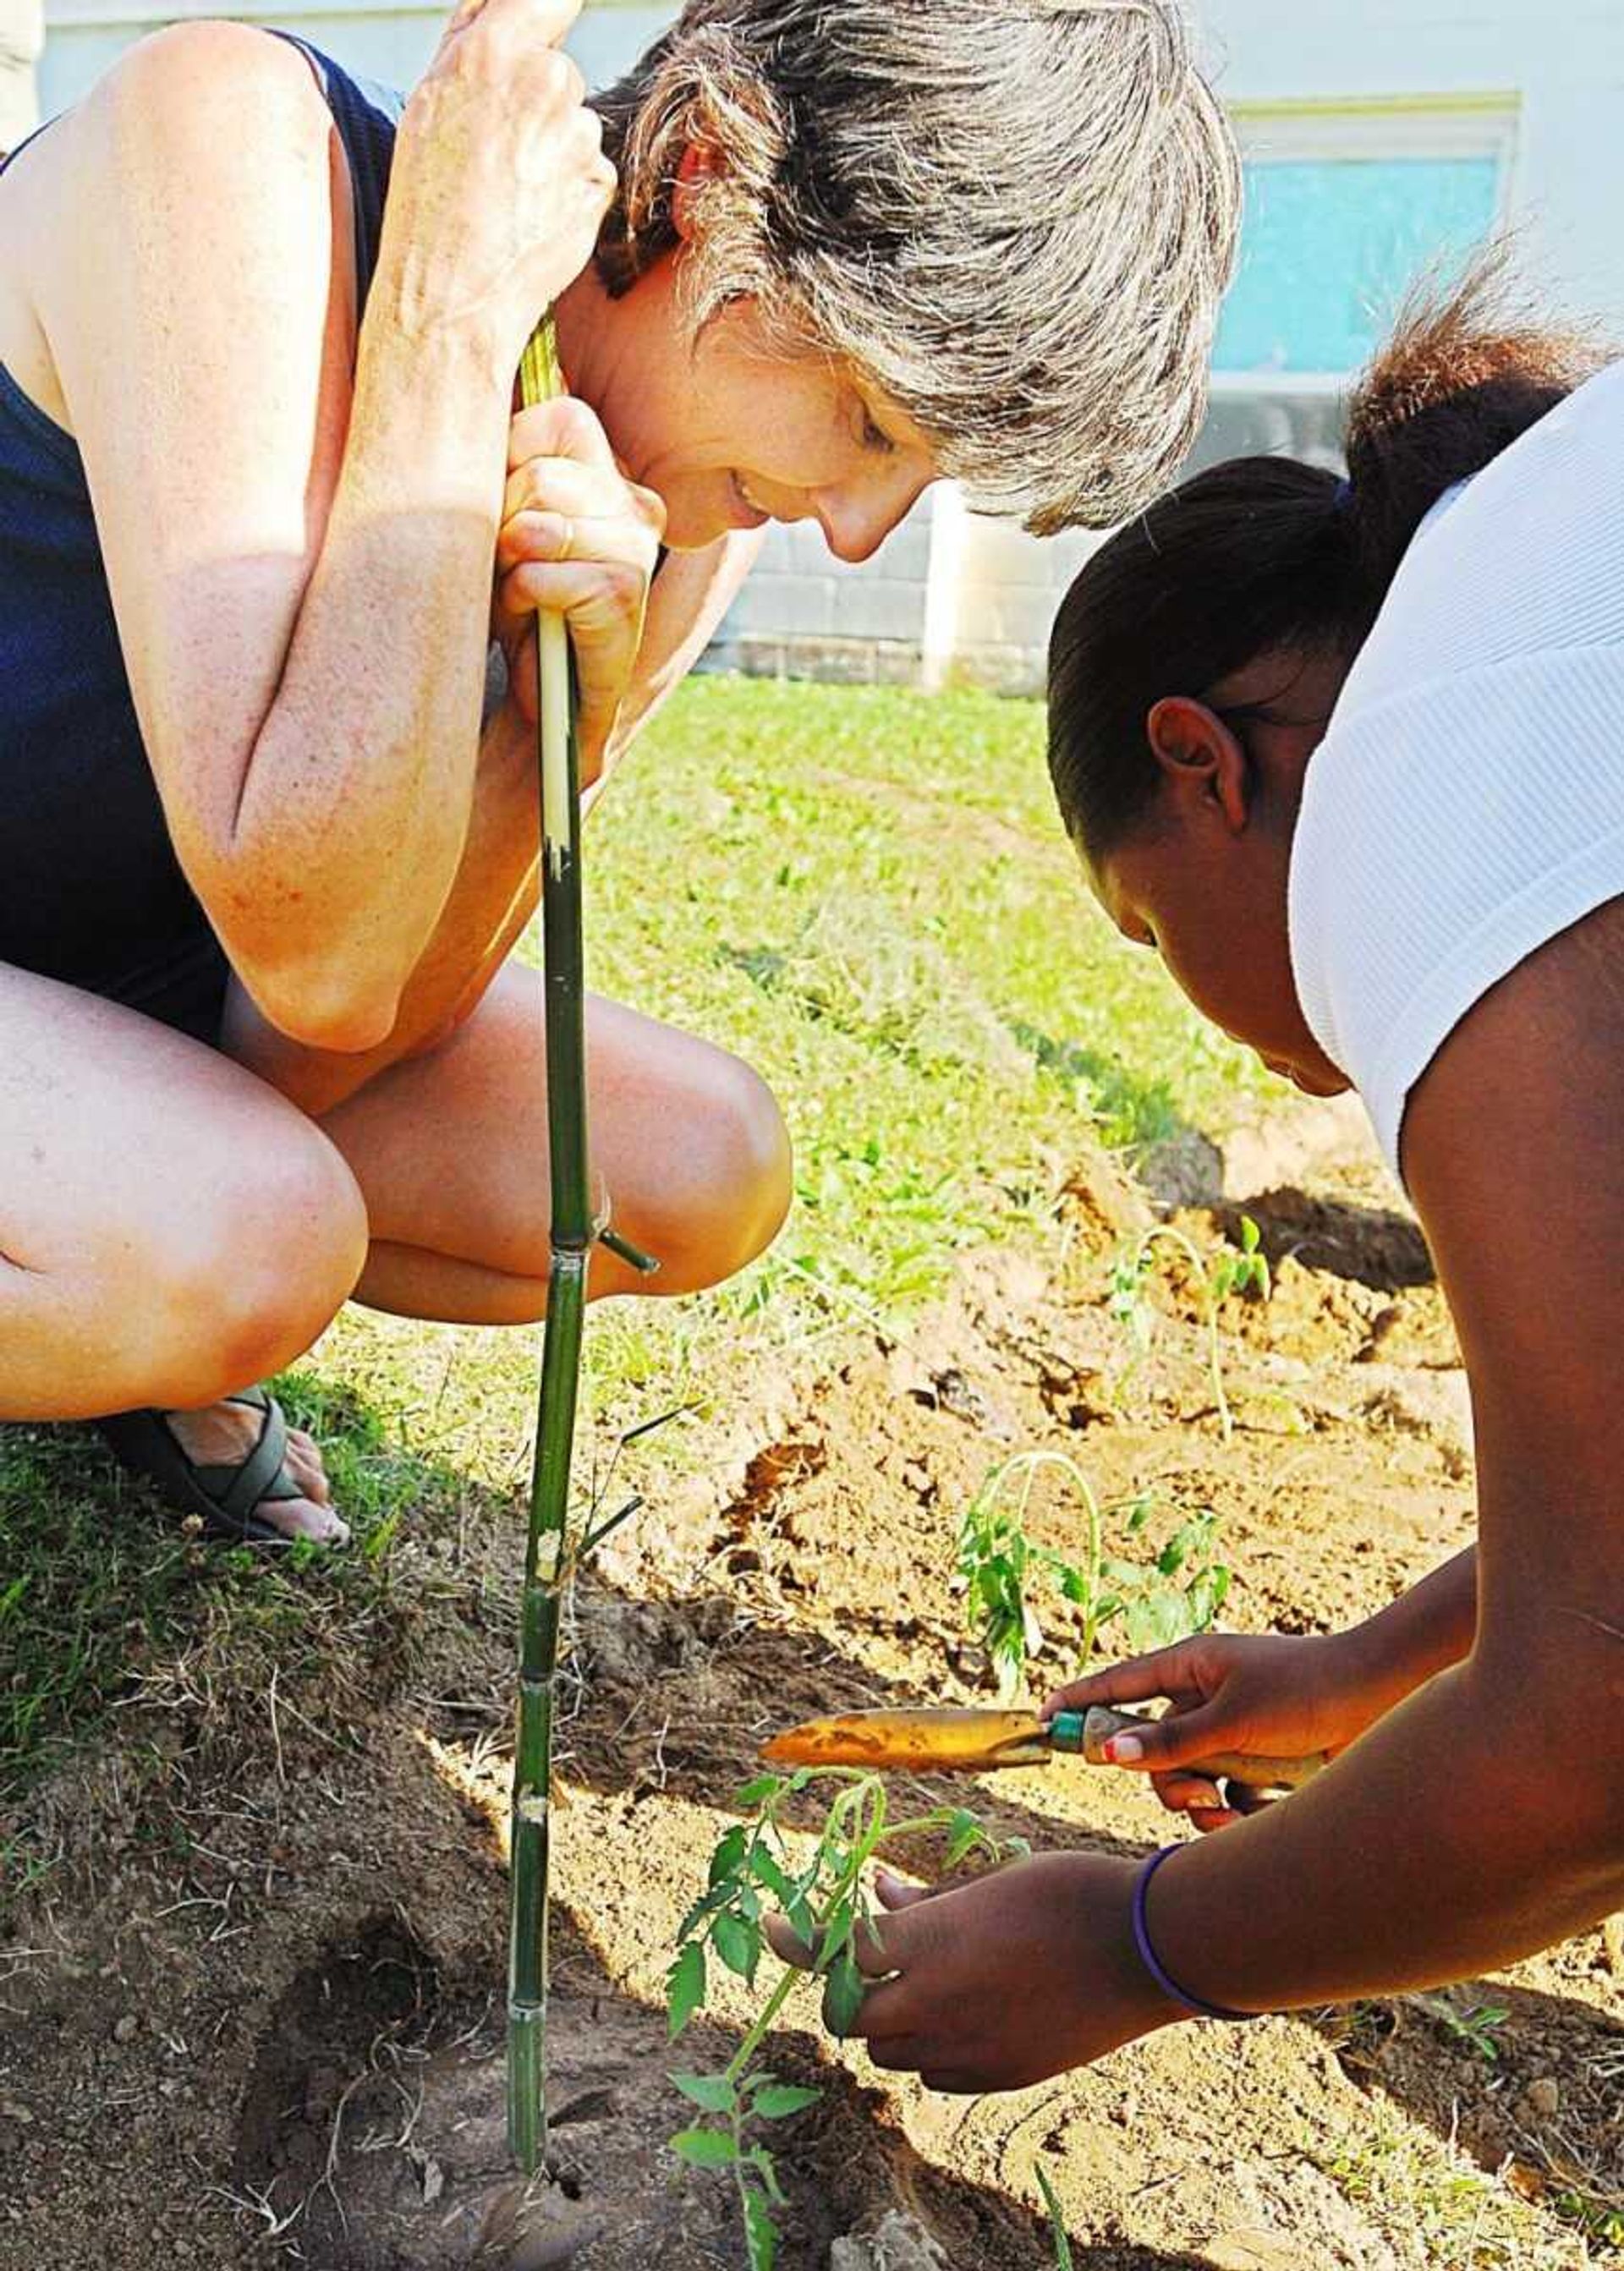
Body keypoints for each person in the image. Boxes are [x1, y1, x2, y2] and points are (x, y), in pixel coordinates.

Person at [0, 0, 1238, 1542]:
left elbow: (333, 1039)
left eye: (915, 481)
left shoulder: (681, 522)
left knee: (695, 1167)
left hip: (121, 980)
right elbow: (313, 951)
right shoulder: (237, 143)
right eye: (863, 423)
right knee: (242, 1234)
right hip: (105, 964)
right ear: (712, 174)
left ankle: (117, 1279)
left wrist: (543, 736)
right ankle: (128, 1261)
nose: (852, 531)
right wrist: (447, 328)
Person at [767, 266, 1624, 2087]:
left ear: (1204, 763)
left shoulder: (1422, 789)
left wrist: (1137, 1936)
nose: (1219, 1023)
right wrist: (1360, 1671)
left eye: (1146, 927)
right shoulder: (1525, 600)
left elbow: (1598, 1729)